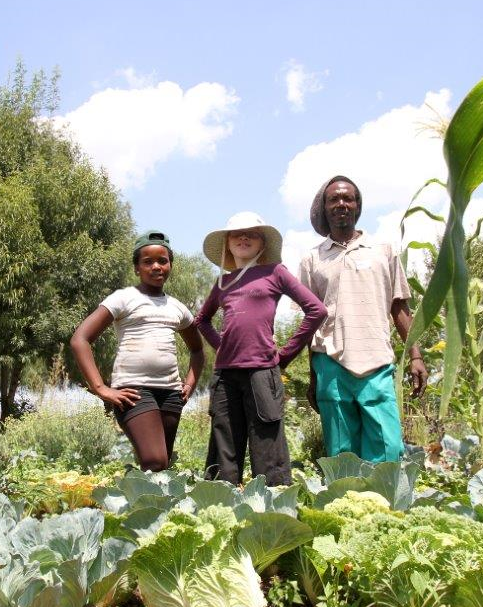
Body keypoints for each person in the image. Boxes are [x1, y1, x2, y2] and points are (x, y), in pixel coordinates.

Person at [298, 176, 429, 462]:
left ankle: (389, 506)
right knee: (342, 455)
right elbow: (311, 322)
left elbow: (400, 308)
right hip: (330, 363)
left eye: (348, 198)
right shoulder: (312, 259)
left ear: (358, 206)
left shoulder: (384, 250)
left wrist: (416, 356)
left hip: (376, 360)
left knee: (388, 450)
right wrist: (313, 376)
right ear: (325, 208)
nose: (341, 204)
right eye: (334, 199)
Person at [194, 212, 326, 486]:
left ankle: (274, 505)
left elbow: (316, 310)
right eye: (237, 234)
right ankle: (219, 505)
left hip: (262, 372)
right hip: (225, 376)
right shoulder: (222, 282)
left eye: (252, 233)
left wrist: (285, 355)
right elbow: (202, 321)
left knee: (268, 445)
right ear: (227, 243)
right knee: (223, 446)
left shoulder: (275, 272)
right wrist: (224, 347)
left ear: (262, 243)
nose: (244, 237)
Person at [70, 230, 205, 471]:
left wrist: (189, 385)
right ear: (136, 268)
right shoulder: (123, 298)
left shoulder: (178, 308)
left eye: (162, 261)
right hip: (133, 391)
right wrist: (101, 388)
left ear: (170, 265)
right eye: (148, 261)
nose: (156, 266)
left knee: (162, 467)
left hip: (171, 394)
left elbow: (197, 350)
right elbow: (80, 339)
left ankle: (145, 507)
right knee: (155, 461)